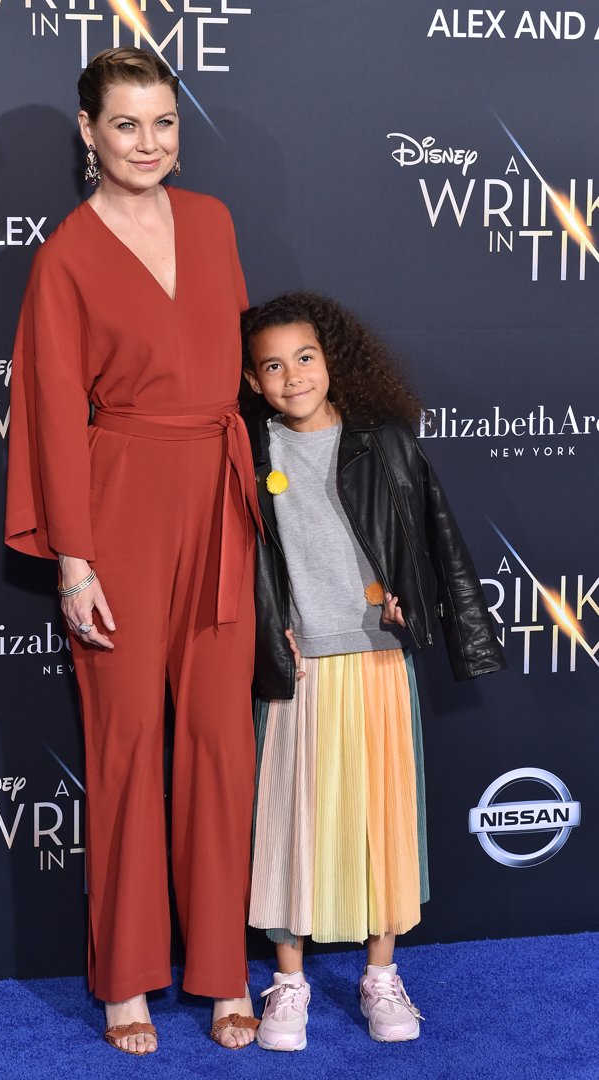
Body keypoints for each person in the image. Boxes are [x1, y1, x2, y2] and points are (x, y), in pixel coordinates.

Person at [5, 48, 262, 1054]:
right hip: (118, 509)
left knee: (219, 744)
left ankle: (221, 969)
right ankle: (124, 980)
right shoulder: (64, 255)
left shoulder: (214, 222)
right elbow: (52, 419)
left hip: (219, 499)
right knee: (122, 751)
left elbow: (236, 380)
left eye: (164, 123)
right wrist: (76, 561)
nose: (149, 143)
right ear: (87, 133)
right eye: (126, 126)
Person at [240, 291, 506, 1051]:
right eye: (272, 366)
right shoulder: (250, 451)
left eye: (304, 358)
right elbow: (238, 559)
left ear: (332, 362)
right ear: (252, 381)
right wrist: (266, 629)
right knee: (289, 819)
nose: (292, 377)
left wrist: (410, 604)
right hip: (297, 669)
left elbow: (434, 544)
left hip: (377, 660)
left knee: (380, 820)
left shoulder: (385, 442)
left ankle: (379, 974)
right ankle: (287, 980)